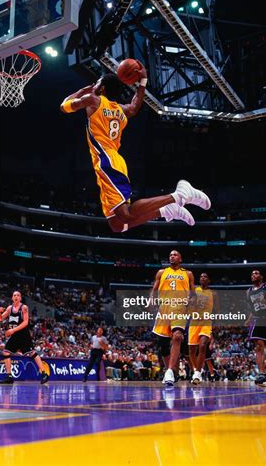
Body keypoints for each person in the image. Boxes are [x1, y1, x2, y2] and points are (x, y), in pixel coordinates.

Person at [60, 71, 210, 232]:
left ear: (102, 88)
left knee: (126, 215)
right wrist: (143, 82)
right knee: (117, 225)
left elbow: (64, 106)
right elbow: (135, 105)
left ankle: (178, 195)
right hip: (113, 161)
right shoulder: (122, 110)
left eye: (96, 83)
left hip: (107, 162)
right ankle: (167, 210)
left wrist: (81, 91)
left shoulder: (93, 100)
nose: (93, 86)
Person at [152, 250, 195, 387]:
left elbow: (193, 293)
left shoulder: (187, 274)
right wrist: (151, 300)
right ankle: (171, 371)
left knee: (177, 336)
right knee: (163, 345)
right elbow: (154, 289)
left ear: (180, 259)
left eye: (175, 254)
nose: (172, 256)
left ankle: (169, 371)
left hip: (180, 307)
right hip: (164, 308)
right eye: (170, 254)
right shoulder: (161, 272)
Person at [0, 291, 49, 385]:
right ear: (12, 298)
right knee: (5, 352)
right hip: (14, 335)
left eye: (18, 295)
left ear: (20, 298)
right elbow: (0, 319)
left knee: (32, 353)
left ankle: (44, 373)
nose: (16, 297)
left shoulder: (24, 307)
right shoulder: (9, 308)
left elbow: (25, 322)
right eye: (14, 295)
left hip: (23, 334)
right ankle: (9, 376)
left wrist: (12, 330)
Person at [188, 273, 219, 385]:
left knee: (202, 346)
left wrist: (214, 325)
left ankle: (197, 373)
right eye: (201, 276)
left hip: (206, 322)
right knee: (191, 351)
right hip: (194, 322)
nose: (203, 278)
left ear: (209, 280)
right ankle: (198, 370)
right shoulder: (194, 290)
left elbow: (216, 310)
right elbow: (188, 305)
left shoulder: (213, 293)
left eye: (205, 276)